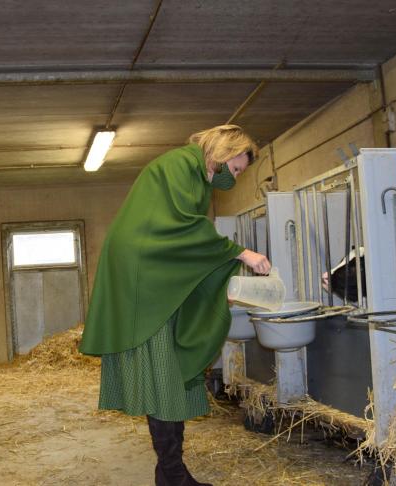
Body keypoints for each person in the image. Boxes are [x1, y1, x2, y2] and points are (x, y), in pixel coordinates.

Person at [79, 125, 271, 486]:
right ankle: (172, 474)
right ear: (226, 149)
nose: (237, 176)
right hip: (146, 275)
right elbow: (183, 228)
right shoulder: (180, 165)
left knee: (166, 376)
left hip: (155, 271)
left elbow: (186, 236)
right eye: (238, 168)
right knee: (162, 376)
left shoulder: (197, 174)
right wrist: (240, 252)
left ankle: (170, 472)